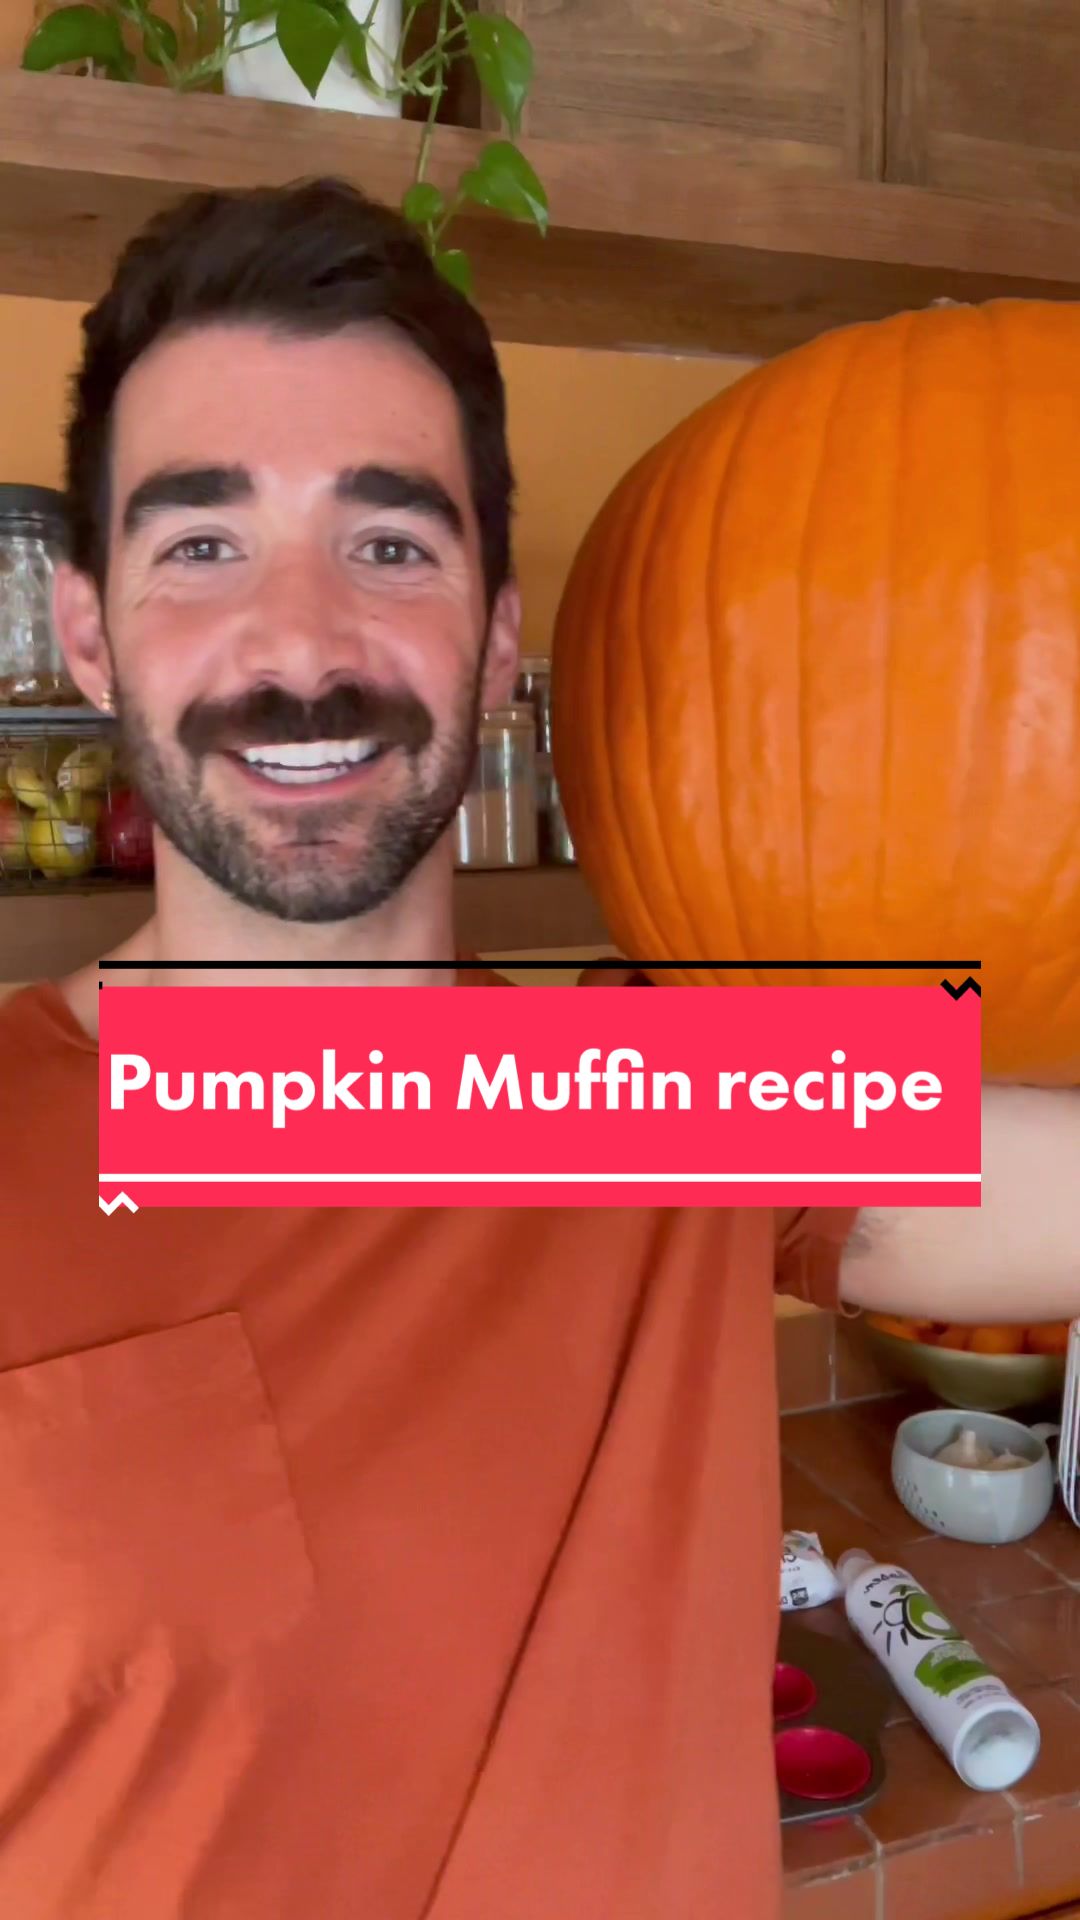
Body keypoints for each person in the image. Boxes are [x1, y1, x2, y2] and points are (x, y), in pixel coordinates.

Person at [1, 179, 1076, 1920]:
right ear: (88, 634)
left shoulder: (649, 1099)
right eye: (201, 544)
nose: (302, 643)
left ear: (498, 642)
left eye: (390, 543)